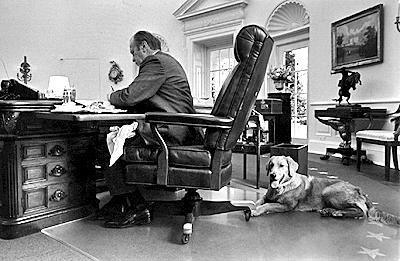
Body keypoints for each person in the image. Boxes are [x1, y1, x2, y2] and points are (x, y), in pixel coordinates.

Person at [99, 31, 203, 228]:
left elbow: (130, 95)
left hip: (168, 132)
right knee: (114, 139)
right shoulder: (167, 62)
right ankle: (121, 200)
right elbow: (144, 96)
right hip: (180, 130)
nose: (133, 58)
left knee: (105, 141)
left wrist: (109, 97)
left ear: (144, 46)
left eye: (133, 52)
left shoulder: (155, 62)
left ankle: (135, 206)